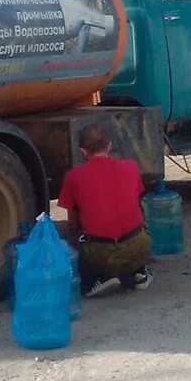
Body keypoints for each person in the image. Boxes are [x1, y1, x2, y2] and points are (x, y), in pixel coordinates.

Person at [57, 124, 153, 297]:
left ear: (83, 151)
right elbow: (137, 205)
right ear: (109, 145)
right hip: (139, 246)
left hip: (99, 255)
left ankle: (99, 278)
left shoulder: (73, 176)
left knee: (70, 237)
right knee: (138, 223)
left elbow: (73, 222)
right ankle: (139, 272)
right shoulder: (131, 166)